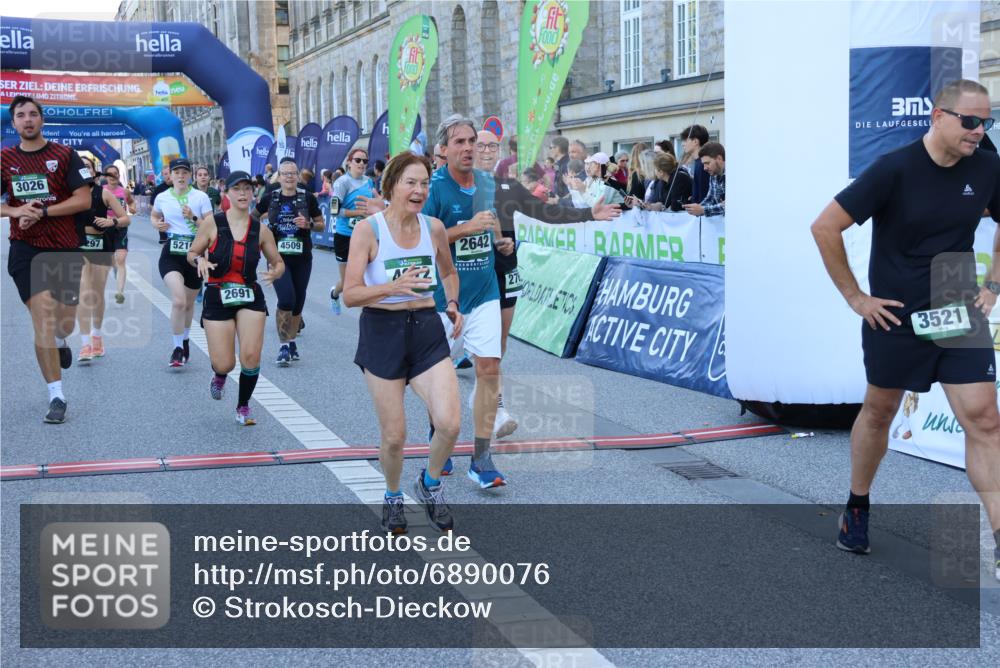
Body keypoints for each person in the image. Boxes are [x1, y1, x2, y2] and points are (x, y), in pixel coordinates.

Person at [810, 79, 1000, 578]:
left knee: (983, 418)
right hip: (896, 310)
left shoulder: (988, 166)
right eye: (971, 121)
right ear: (938, 116)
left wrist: (994, 283)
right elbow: (824, 226)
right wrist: (856, 298)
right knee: (880, 410)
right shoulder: (894, 168)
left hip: (957, 300)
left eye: (988, 122)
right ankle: (857, 504)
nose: (979, 132)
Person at [342, 152, 463, 533]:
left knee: (449, 423)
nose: (420, 190)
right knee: (394, 437)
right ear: (392, 185)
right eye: (411, 182)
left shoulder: (434, 228)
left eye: (425, 183)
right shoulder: (369, 230)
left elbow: (447, 270)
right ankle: (393, 495)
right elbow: (350, 294)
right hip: (382, 331)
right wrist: (391, 288)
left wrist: (454, 304)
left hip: (426, 329)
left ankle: (429, 484)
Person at [476, 129, 621, 441]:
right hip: (468, 278)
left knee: (494, 350)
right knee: (466, 353)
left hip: (503, 274)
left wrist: (588, 214)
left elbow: (546, 212)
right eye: (480, 145)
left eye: (492, 145)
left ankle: (493, 411)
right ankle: (457, 420)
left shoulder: (507, 187)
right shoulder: (458, 187)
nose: (487, 150)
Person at [420, 115, 509, 489]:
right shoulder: (433, 189)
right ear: (443, 150)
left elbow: (491, 223)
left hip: (485, 291)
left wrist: (501, 241)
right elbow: (422, 241)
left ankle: (482, 458)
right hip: (442, 298)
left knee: (489, 368)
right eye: (459, 142)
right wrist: (463, 230)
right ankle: (437, 435)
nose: (469, 148)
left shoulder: (488, 183)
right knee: (439, 380)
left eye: (473, 141)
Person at [2, 95, 94, 423]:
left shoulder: (64, 155)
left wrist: (42, 211)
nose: (27, 120)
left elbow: (83, 199)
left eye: (32, 114)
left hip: (64, 248)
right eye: (21, 116)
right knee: (42, 315)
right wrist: (15, 210)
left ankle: (60, 340)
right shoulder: (5, 158)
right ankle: (56, 395)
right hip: (25, 249)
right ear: (13, 123)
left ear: (42, 120)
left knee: (64, 322)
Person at [187, 171, 284, 426]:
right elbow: (192, 252)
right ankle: (219, 375)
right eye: (237, 189)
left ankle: (243, 405)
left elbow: (278, 262)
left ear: (253, 193)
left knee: (251, 356)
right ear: (226, 192)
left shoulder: (261, 230)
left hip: (249, 293)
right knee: (225, 362)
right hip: (218, 293)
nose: (243, 193)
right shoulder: (212, 224)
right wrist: (201, 260)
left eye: (247, 189)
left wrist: (276, 271)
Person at [254, 157, 325, 366]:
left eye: (293, 174)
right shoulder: (270, 197)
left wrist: (309, 223)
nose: (289, 178)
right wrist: (263, 233)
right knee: (286, 298)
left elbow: (321, 224)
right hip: (277, 257)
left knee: (298, 302)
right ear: (279, 176)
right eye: (285, 174)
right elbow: (252, 218)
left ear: (297, 176)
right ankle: (283, 346)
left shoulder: (307, 198)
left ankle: (292, 340)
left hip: (302, 257)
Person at [150, 158, 215, 368]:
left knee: (188, 305)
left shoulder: (201, 197)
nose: (180, 176)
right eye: (176, 172)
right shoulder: (162, 197)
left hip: (196, 254)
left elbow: (211, 227)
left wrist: (194, 217)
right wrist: (157, 224)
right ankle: (177, 348)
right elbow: (154, 215)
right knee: (178, 301)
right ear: (170, 174)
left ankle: (185, 339)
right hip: (171, 253)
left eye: (184, 172)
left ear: (190, 175)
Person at [76, 156, 131, 364]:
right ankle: (84, 344)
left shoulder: (104, 194)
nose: (84, 171)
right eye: (80, 168)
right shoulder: (70, 194)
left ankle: (96, 336)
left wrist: (112, 221)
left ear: (94, 172)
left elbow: (126, 218)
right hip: (77, 247)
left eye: (88, 167)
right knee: (82, 292)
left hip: (100, 246)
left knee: (96, 293)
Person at [329, 147, 377, 314]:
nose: (362, 164)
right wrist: (359, 213)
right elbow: (334, 211)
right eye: (358, 160)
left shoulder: (369, 182)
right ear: (349, 162)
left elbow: (372, 206)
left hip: (365, 236)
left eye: (365, 161)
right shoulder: (342, 182)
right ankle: (334, 294)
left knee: (368, 277)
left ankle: (370, 314)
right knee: (347, 281)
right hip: (345, 235)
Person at [103, 164, 135, 305]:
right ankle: (115, 267)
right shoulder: (101, 191)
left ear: (118, 175)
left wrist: (133, 208)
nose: (112, 176)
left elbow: (132, 202)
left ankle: (120, 293)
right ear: (105, 177)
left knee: (121, 260)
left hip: (120, 227)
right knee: (110, 260)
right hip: (105, 229)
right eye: (109, 174)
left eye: (115, 173)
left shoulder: (124, 192)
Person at [683, 142, 725, 217]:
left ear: (719, 158)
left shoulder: (735, 176)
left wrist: (703, 210)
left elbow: (731, 206)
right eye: (703, 164)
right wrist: (694, 209)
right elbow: (710, 199)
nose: (704, 168)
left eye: (707, 163)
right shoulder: (713, 175)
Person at [679, 124, 711, 203]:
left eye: (686, 140)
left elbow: (703, 196)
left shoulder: (703, 164)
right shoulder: (698, 162)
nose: (682, 144)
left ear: (696, 141)